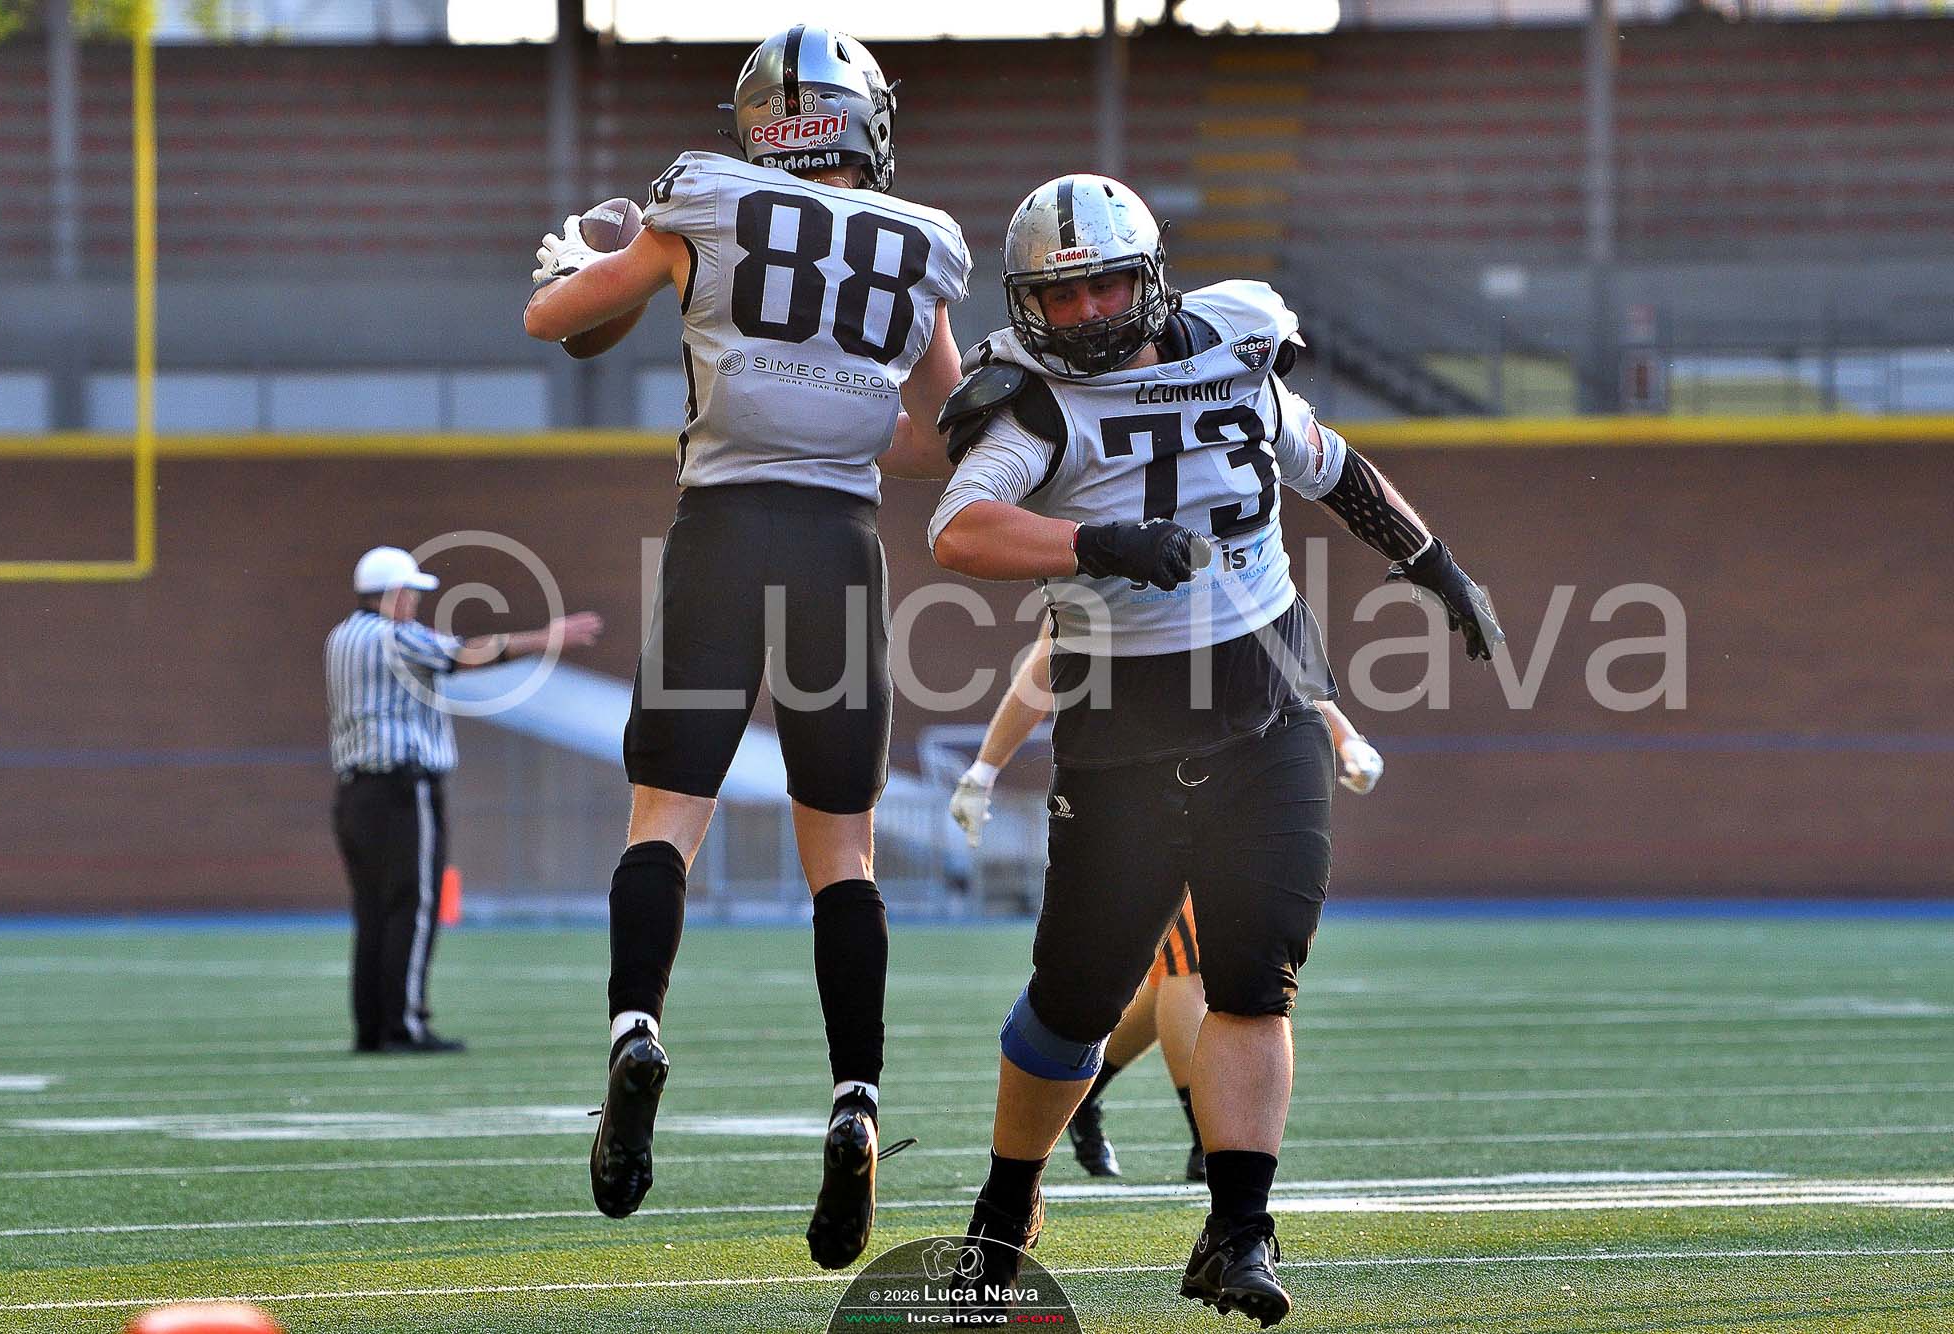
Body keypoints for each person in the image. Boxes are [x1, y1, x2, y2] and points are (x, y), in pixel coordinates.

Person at [929, 174, 1501, 1325]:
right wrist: (1094, 540)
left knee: (1252, 976)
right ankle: (1005, 1203)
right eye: (1059, 295)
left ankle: (1239, 1230)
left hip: (1267, 703)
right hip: (1120, 726)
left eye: (1103, 286)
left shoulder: (1236, 346)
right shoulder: (1032, 402)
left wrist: (1432, 563)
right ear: (1027, 304)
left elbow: (1331, 466)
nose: (1085, 312)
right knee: (1074, 1000)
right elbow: (958, 529)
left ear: (1147, 279)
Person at [521, 25, 970, 1270]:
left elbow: (554, 318)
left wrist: (581, 260)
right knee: (843, 854)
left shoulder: (703, 200)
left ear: (761, 121)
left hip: (718, 533)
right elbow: (936, 433)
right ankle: (854, 1100)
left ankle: (634, 1028)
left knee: (664, 820)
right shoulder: (920, 238)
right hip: (838, 548)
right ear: (862, 121)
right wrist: (838, 405)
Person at [949, 634, 1384, 1183]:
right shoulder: (1108, 585)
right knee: (1187, 968)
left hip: (1238, 773)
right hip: (1144, 781)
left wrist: (1343, 733)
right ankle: (1207, 1135)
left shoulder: (1232, 583)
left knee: (1179, 973)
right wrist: (984, 769)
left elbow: (1268, 642)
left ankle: (1093, 1094)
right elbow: (1047, 653)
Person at [325, 545, 603, 1054]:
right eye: (411, 593)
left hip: (354, 792)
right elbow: (466, 654)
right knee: (413, 905)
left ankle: (372, 1026)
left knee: (372, 910)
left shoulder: (341, 637)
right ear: (394, 593)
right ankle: (403, 1024)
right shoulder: (395, 637)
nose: (415, 603)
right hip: (402, 788)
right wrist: (544, 639)